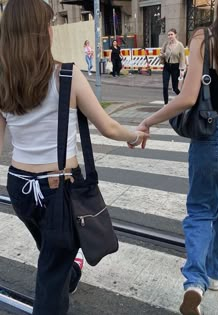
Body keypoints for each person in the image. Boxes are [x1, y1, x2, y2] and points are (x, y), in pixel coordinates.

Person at [0, 1, 148, 315]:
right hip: (59, 189)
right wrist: (135, 135)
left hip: (20, 186)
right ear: (43, 32)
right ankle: (63, 281)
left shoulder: (3, 81)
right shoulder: (66, 75)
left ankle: (69, 274)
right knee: (51, 275)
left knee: (53, 251)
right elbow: (107, 127)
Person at [136, 0, 218, 314]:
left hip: (212, 134)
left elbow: (189, 97)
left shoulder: (205, 37)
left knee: (201, 211)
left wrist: (148, 121)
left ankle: (195, 282)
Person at [160, 28, 186, 104]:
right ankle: (166, 104)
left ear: (175, 35)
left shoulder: (180, 45)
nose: (170, 36)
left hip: (175, 67)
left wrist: (182, 70)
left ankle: (183, 99)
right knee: (165, 86)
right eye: (168, 35)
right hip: (167, 67)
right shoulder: (166, 44)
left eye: (171, 34)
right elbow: (161, 53)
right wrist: (163, 55)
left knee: (175, 88)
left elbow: (182, 58)